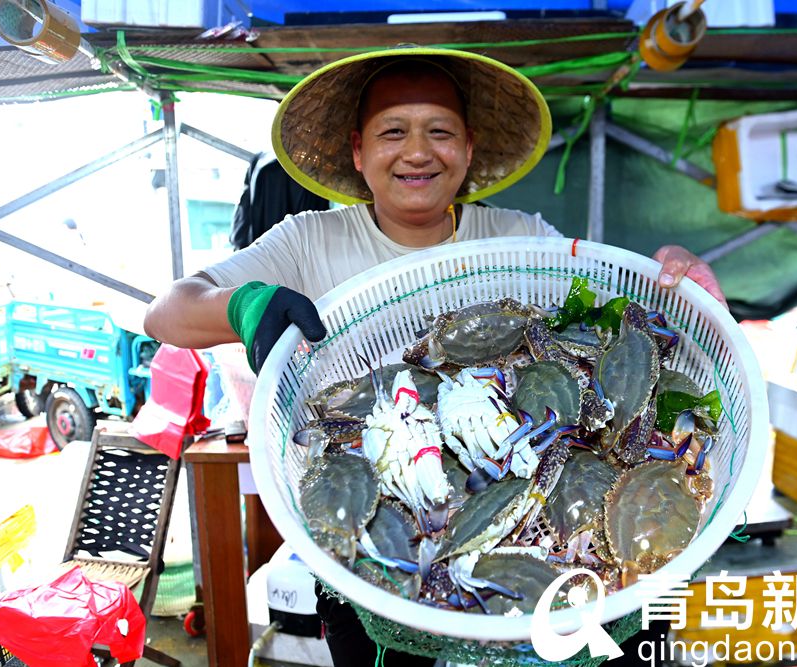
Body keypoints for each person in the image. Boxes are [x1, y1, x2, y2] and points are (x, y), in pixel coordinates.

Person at [144, 46, 726, 667]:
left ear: (469, 149)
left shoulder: (518, 239)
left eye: (439, 131)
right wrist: (244, 304)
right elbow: (166, 312)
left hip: (544, 517)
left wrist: (681, 275)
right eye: (393, 131)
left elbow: (629, 317)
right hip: (373, 570)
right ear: (358, 151)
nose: (418, 151)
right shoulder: (307, 240)